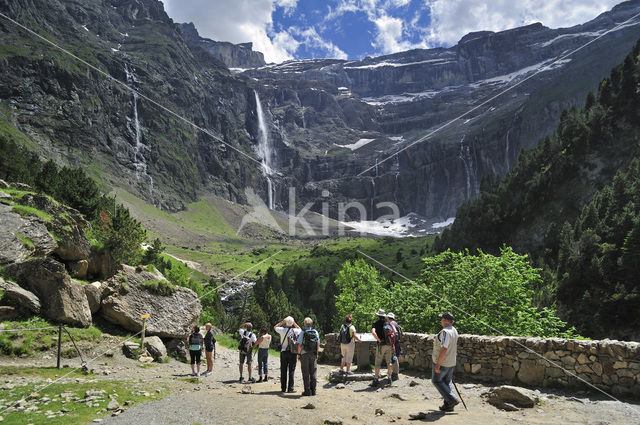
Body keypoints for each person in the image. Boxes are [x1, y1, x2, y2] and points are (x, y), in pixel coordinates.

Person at [431, 311, 460, 412]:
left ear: (445, 320)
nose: (441, 321)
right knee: (447, 383)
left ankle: (452, 399)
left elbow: (444, 348)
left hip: (443, 362)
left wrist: (438, 364)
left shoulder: (445, 332)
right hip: (451, 362)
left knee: (436, 381)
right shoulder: (454, 330)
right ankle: (448, 406)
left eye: (442, 319)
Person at [274, 316, 301, 393]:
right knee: (291, 370)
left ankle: (283, 388)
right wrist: (294, 323)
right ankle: (290, 388)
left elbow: (275, 327)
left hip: (283, 351)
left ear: (286, 323)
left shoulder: (282, 330)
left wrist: (282, 322)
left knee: (283, 370)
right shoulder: (295, 331)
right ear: (292, 323)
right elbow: (300, 329)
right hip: (292, 352)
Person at [371, 309, 394, 387]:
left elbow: (373, 333)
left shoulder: (375, 324)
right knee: (389, 362)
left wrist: (378, 340)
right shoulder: (388, 323)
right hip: (388, 345)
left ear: (378, 316)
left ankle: (376, 379)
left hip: (381, 345)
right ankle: (389, 378)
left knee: (378, 362)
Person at [297, 317, 320, 396]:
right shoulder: (315, 332)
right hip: (313, 354)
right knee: (313, 372)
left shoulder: (303, 332)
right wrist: (316, 353)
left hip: (304, 354)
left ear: (304, 324)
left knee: (305, 372)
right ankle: (313, 390)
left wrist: (299, 354)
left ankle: (307, 391)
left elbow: (299, 345)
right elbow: (318, 344)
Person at [387, 312, 402, 381]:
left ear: (388, 318)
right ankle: (395, 373)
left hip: (393, 343)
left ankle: (395, 374)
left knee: (394, 358)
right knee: (394, 357)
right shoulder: (395, 323)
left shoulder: (391, 324)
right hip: (397, 343)